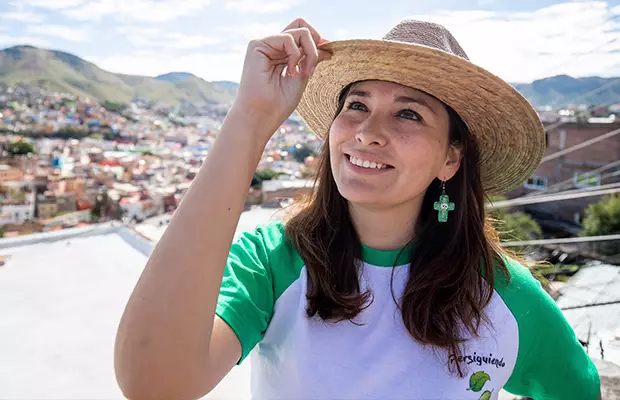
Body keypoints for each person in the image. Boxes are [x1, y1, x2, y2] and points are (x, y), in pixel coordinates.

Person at [114, 18, 601, 400]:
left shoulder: (502, 294)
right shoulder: (272, 261)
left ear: (451, 158)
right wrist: (250, 117)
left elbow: (577, 388)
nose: (367, 132)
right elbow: (155, 384)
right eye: (357, 105)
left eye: (408, 113)